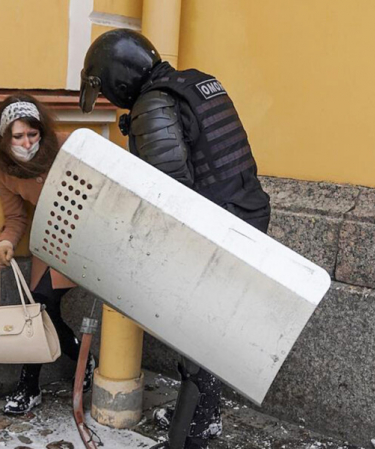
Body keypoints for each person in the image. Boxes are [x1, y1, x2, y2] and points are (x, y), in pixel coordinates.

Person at [79, 30, 271, 449]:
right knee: (208, 335)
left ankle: (189, 439)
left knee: (195, 338)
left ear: (119, 79)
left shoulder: (154, 104)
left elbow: (171, 197)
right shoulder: (194, 82)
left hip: (216, 231)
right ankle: (204, 419)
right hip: (244, 214)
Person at [0, 92, 95, 415]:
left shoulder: (65, 145)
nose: (26, 142)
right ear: (5, 137)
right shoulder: (4, 168)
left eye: (32, 134)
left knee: (41, 307)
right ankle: (83, 360)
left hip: (82, 236)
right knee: (41, 310)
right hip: (48, 239)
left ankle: (29, 386)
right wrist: (5, 242)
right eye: (18, 136)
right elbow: (16, 217)